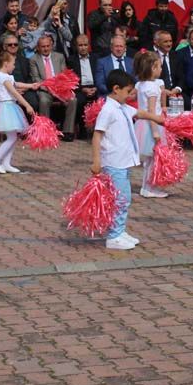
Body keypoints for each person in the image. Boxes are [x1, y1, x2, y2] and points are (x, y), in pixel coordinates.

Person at [91, 69, 165, 250]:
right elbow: (97, 135)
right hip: (114, 162)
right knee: (120, 198)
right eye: (128, 91)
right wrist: (96, 160)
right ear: (116, 89)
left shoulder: (122, 107)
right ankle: (113, 236)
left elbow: (139, 113)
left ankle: (120, 230)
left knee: (124, 197)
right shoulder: (108, 110)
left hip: (124, 161)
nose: (130, 95)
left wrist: (155, 117)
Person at [0, 51, 37, 174]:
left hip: (11, 107)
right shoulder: (2, 77)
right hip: (6, 108)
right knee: (11, 138)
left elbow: (16, 84)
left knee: (13, 137)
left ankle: (6, 163)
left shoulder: (7, 76)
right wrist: (27, 105)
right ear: (6, 64)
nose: (14, 66)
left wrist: (30, 86)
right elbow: (15, 92)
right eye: (13, 64)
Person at [133, 51, 169, 199]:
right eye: (160, 66)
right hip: (151, 125)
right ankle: (149, 188)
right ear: (153, 68)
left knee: (149, 159)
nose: (161, 69)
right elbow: (152, 111)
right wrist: (155, 132)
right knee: (153, 159)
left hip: (142, 124)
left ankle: (146, 187)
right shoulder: (153, 87)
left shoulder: (140, 84)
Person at [30, 34, 77, 141]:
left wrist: (60, 89)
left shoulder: (59, 57)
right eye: (43, 47)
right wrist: (50, 90)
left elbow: (64, 75)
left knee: (73, 99)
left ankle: (68, 131)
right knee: (44, 101)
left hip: (60, 88)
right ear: (38, 47)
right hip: (44, 89)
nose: (46, 49)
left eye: (47, 46)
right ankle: (45, 132)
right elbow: (36, 79)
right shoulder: (34, 59)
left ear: (51, 46)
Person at [69, 34, 97, 136]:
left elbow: (99, 74)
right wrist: (82, 89)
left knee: (102, 99)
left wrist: (96, 87)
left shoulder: (95, 58)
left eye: (85, 45)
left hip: (94, 87)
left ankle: (98, 129)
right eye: (80, 45)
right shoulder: (71, 60)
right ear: (76, 47)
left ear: (89, 45)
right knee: (80, 101)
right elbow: (71, 80)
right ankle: (82, 128)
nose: (83, 48)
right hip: (80, 88)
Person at [152, 30, 182, 96]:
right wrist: (162, 90)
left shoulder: (176, 55)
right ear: (157, 42)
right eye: (165, 41)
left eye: (170, 41)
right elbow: (148, 79)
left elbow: (182, 77)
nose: (169, 44)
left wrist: (177, 89)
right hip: (157, 92)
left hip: (175, 92)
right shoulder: (151, 56)